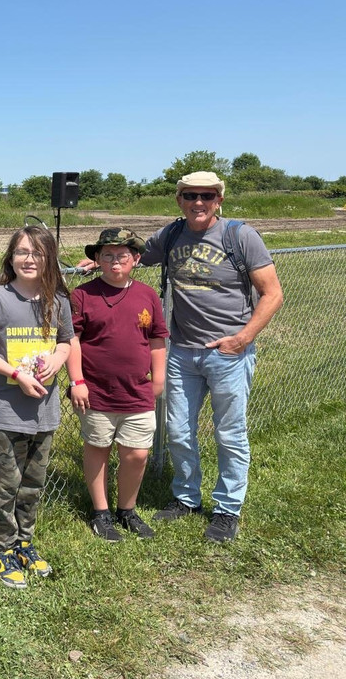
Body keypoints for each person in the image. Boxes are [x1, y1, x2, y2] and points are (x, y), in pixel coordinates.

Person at [80, 172, 284, 542]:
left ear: (219, 200)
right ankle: (187, 498)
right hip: (182, 351)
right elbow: (132, 256)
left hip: (228, 353)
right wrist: (101, 261)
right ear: (179, 200)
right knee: (179, 431)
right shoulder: (171, 235)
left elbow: (272, 294)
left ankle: (226, 509)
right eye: (190, 195)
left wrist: (242, 339)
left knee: (230, 433)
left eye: (207, 196)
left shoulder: (241, 236)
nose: (198, 202)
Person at [0, 225, 73, 588]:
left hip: (45, 412)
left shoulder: (57, 301)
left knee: (32, 485)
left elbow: (66, 342)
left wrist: (58, 361)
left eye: (38, 253)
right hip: (6, 411)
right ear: (11, 258)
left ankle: (25, 542)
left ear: (49, 260)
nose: (29, 259)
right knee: (5, 485)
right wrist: (15, 372)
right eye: (22, 252)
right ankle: (2, 548)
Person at [68, 228, 168, 542]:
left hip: (137, 389)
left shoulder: (147, 295)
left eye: (122, 256)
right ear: (96, 259)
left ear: (135, 260)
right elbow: (72, 341)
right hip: (95, 391)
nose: (115, 262)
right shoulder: (83, 295)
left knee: (136, 453)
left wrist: (159, 378)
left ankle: (127, 510)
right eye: (107, 255)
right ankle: (101, 513)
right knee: (98, 447)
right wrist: (77, 381)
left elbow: (157, 339)